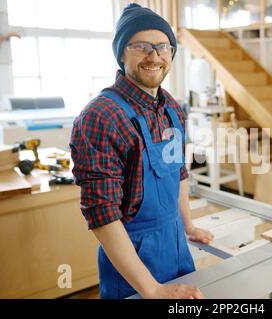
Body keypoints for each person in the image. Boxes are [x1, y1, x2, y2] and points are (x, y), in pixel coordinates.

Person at [69, 3, 214, 299]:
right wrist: (153, 290)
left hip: (177, 248)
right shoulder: (101, 116)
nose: (154, 56)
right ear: (122, 53)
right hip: (133, 269)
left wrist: (188, 224)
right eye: (141, 47)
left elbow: (179, 174)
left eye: (163, 47)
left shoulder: (171, 107)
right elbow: (102, 215)